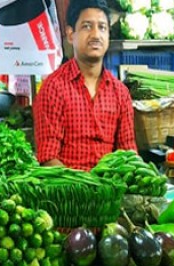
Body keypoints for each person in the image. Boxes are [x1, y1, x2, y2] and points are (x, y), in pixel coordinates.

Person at [33, 0, 137, 171]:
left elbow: (128, 153)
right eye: (87, 26)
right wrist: (87, 186)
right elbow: (48, 158)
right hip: (69, 191)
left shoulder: (120, 93)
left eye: (102, 27)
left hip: (110, 190)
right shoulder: (53, 88)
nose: (96, 35)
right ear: (70, 34)